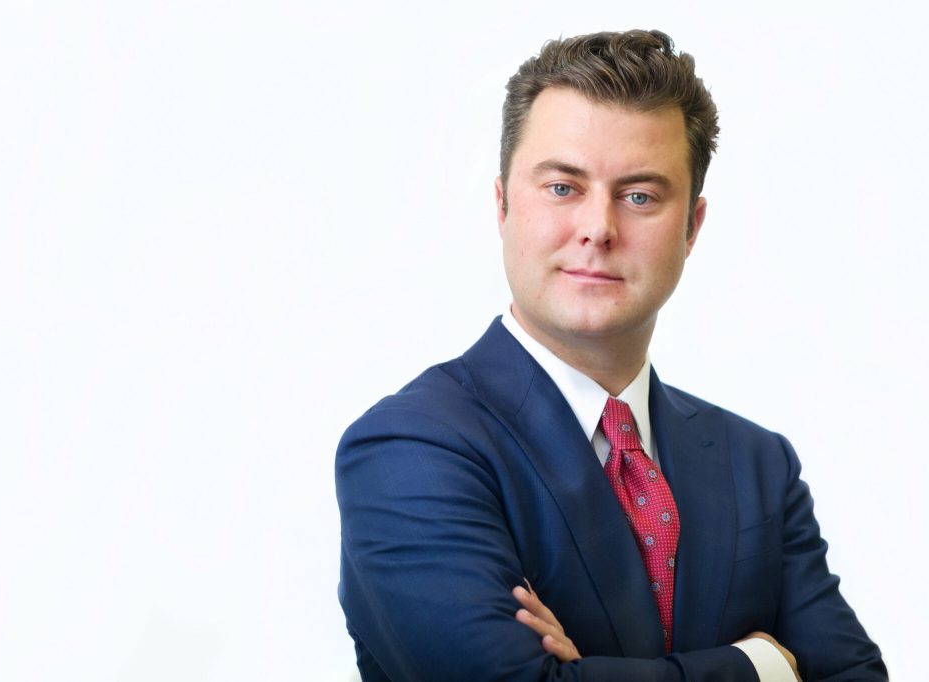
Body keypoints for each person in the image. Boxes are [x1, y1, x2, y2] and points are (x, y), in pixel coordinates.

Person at [335, 29, 886, 681]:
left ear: (693, 228)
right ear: (503, 206)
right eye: (563, 188)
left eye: (640, 196)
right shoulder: (411, 449)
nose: (599, 227)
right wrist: (762, 665)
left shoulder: (757, 464)